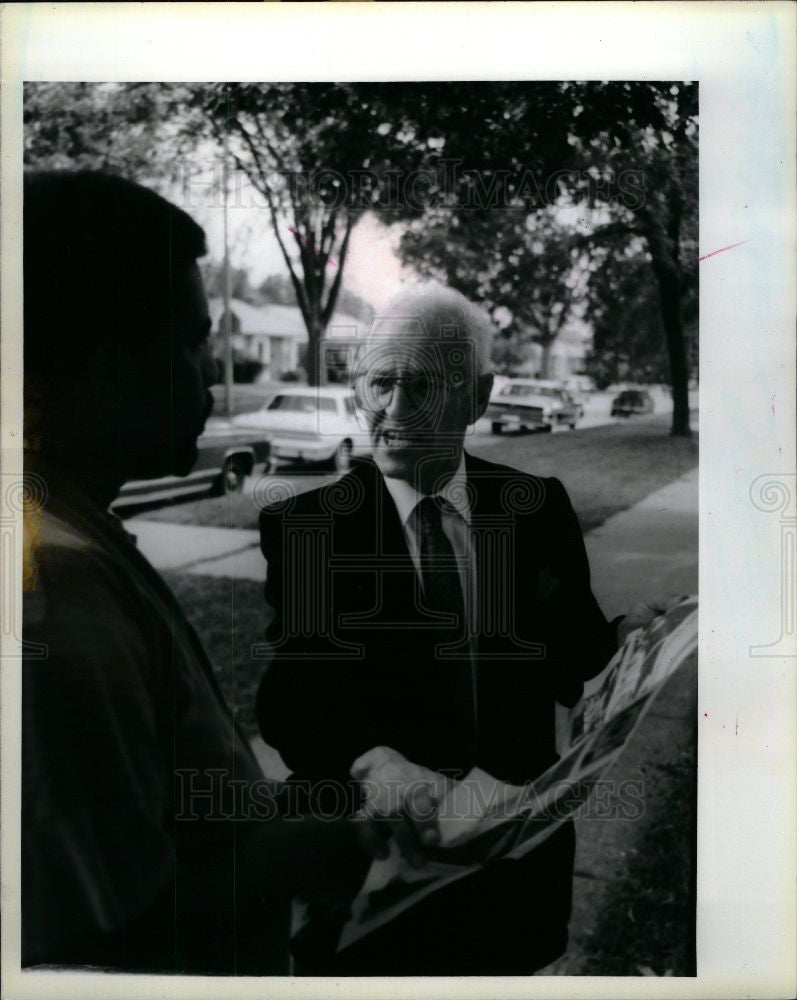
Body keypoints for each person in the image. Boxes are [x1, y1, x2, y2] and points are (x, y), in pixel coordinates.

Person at [256, 283, 666, 975]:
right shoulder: (309, 528)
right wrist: (372, 761)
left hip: (512, 867)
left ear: (477, 396)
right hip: (378, 871)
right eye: (377, 383)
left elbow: (573, 660)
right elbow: (292, 700)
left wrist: (630, 642)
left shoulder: (533, 509)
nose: (390, 410)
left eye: (419, 386)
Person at [21, 171, 369, 975]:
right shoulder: (53, 593)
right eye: (189, 342)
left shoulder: (73, 530)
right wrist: (314, 846)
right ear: (111, 366)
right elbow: (102, 953)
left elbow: (153, 817)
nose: (211, 373)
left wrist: (309, 807)